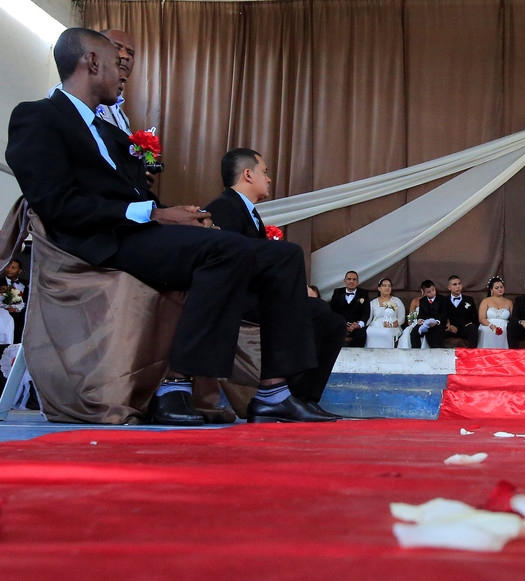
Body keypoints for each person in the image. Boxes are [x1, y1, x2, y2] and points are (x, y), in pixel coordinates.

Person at [5, 28, 334, 424]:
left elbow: (136, 195)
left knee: (283, 255)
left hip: (142, 233)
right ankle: (175, 385)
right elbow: (56, 202)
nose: (122, 72)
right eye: (114, 63)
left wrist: (179, 213)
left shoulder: (110, 132)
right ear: (91, 62)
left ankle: (274, 392)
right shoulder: (37, 117)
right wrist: (155, 215)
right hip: (98, 239)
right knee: (225, 250)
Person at [204, 148, 346, 416]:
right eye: (265, 172)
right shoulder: (223, 208)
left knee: (332, 322)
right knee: (314, 310)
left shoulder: (248, 212)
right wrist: (286, 288)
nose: (269, 179)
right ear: (248, 174)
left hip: (258, 295)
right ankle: (276, 395)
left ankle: (301, 397)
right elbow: (230, 262)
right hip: (237, 298)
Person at [330, 271, 370, 346]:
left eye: (354, 279)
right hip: (340, 325)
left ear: (357, 282)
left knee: (361, 335)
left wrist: (359, 324)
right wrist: (342, 324)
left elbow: (366, 312)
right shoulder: (337, 292)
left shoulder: (364, 293)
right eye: (349, 279)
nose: (351, 281)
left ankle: (354, 353)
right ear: (345, 281)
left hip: (356, 326)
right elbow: (333, 311)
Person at [364, 278, 405, 348]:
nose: (387, 288)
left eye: (389, 286)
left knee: (387, 332)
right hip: (375, 325)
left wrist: (392, 324)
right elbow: (369, 318)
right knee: (369, 331)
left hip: (392, 326)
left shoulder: (397, 301)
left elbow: (402, 318)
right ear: (379, 288)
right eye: (384, 285)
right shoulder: (373, 302)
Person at [442, 275, 479, 347]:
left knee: (473, 328)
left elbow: (475, 318)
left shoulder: (469, 300)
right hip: (450, 330)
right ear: (449, 287)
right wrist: (448, 326)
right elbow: (441, 316)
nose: (458, 286)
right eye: (454, 284)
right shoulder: (444, 301)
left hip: (464, 329)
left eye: (459, 284)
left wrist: (471, 323)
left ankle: (472, 352)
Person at [410, 279, 447, 348]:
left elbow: (444, 314)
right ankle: (416, 351)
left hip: (438, 323)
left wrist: (437, 321)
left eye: (433, 290)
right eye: (428, 292)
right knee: (414, 333)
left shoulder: (442, 299)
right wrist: (419, 319)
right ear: (424, 292)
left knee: (436, 336)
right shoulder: (422, 301)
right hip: (426, 323)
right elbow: (421, 314)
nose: (432, 293)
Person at [478, 276, 513, 348]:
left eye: (501, 287)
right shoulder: (486, 301)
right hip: (488, 325)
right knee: (487, 331)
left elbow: (513, 318)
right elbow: (481, 318)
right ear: (491, 289)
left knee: (508, 331)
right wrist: (491, 325)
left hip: (505, 326)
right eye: (497, 288)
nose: (500, 289)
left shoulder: (509, 302)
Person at [2, 259, 28, 344]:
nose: (9, 269)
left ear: (19, 271)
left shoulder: (25, 286)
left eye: (13, 268)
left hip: (19, 322)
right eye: (8, 267)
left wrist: (18, 309)